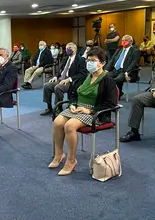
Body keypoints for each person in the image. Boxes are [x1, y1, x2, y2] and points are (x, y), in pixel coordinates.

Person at [50, 47, 117, 175]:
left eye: (93, 60)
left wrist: (89, 110)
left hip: (95, 113)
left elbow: (111, 103)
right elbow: (74, 94)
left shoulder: (108, 80)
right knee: (58, 122)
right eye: (88, 60)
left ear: (102, 63)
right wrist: (73, 104)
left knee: (70, 125)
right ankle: (59, 154)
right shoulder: (85, 77)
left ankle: (71, 160)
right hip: (77, 109)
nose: (89, 63)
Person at [40, 42, 86, 116]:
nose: (68, 49)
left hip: (71, 81)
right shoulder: (65, 58)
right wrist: (55, 76)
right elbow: (60, 70)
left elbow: (83, 74)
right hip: (61, 79)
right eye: (67, 48)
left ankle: (58, 108)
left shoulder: (80, 60)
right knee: (47, 86)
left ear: (75, 49)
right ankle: (49, 108)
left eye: (70, 48)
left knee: (58, 87)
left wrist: (69, 79)